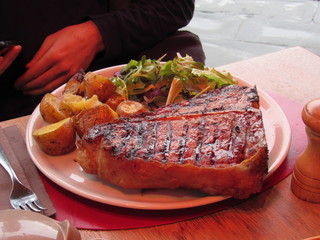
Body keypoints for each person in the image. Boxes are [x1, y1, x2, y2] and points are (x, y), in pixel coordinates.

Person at [0, 0, 205, 121]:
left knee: (183, 51)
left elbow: (176, 6)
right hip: (12, 98)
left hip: (119, 72)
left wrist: (98, 34)